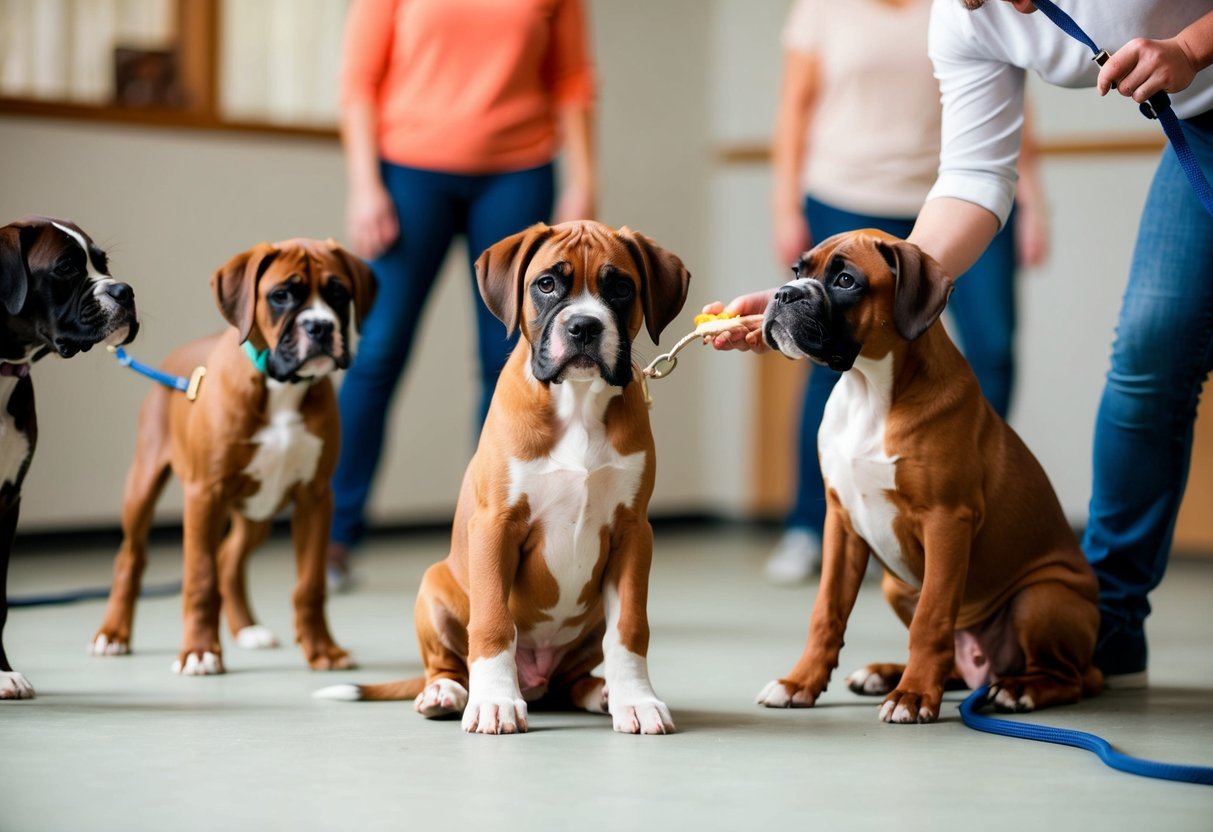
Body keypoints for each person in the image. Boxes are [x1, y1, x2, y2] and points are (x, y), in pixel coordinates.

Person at [708, 0, 1213, 688]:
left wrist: (1189, 44)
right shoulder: (961, 18)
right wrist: (830, 300)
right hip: (1197, 127)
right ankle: (1109, 622)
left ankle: (1084, 626)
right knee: (1148, 351)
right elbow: (974, 174)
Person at [763, 0, 1050, 584]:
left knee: (993, 348)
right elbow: (795, 106)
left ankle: (957, 505)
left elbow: (1009, 102)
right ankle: (810, 524)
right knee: (830, 361)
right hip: (845, 193)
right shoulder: (822, 9)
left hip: (956, 198)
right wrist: (784, 203)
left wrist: (1034, 201)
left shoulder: (965, 5)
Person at [330, 0, 597, 588]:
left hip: (519, 170)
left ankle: (501, 536)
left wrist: (583, 179)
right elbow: (359, 80)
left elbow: (572, 80)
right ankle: (333, 539)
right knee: (378, 353)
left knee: (512, 360)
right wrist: (364, 184)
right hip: (408, 170)